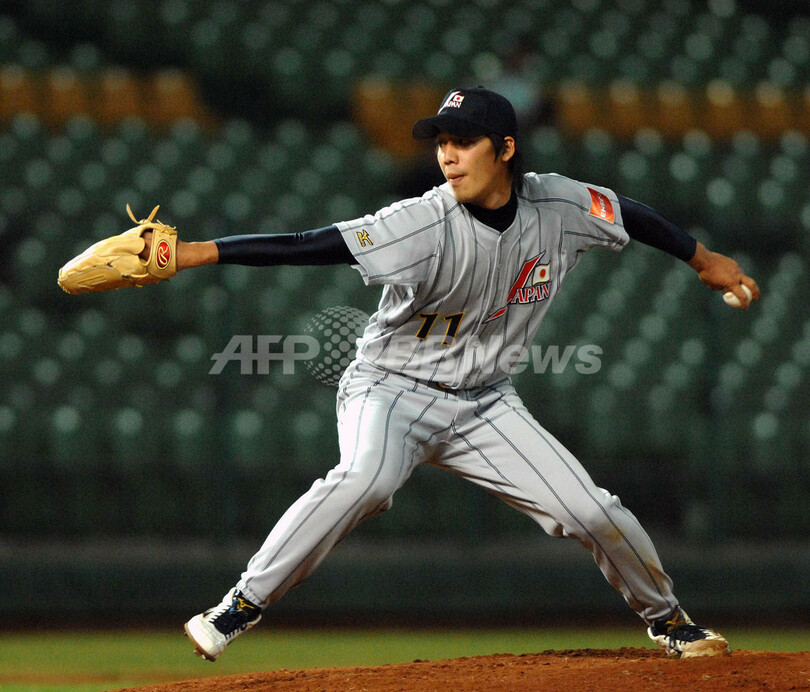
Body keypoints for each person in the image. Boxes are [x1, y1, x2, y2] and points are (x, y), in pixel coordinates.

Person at [150, 87, 758, 661]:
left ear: (507, 149)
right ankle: (240, 605)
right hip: (390, 389)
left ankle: (670, 620)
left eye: (463, 141)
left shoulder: (560, 202)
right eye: (440, 140)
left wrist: (703, 260)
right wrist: (199, 252)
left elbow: (628, 213)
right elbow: (313, 244)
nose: (447, 154)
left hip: (486, 404)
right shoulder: (422, 221)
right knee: (366, 480)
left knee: (592, 512)